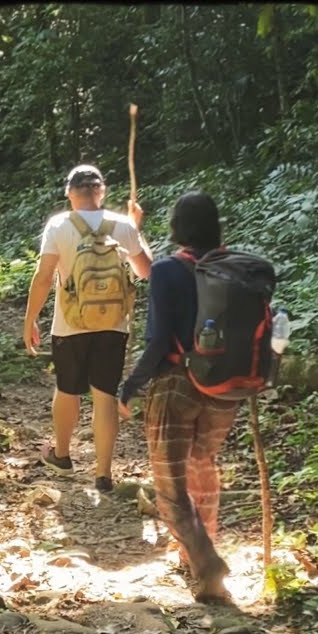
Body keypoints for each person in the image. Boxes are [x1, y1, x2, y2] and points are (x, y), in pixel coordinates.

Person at [117, 190, 237, 605]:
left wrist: (130, 386)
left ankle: (206, 565)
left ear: (177, 229)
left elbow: (157, 343)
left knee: (170, 489)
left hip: (176, 387)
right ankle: (197, 549)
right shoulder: (234, 267)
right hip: (225, 390)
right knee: (203, 464)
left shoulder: (168, 271)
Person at [23, 164, 152, 492]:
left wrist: (30, 319)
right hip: (113, 325)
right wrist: (137, 229)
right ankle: (103, 474)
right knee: (105, 396)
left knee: (67, 389)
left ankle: (62, 457)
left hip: (70, 324)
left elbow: (43, 277)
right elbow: (147, 271)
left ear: (69, 193)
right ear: (102, 191)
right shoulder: (122, 226)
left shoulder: (59, 225)